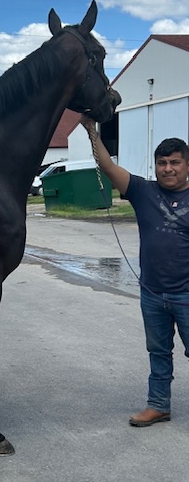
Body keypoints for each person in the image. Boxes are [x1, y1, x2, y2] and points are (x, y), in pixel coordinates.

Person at [89, 131, 189, 426]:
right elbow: (108, 166)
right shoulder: (143, 191)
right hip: (152, 294)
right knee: (158, 352)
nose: (167, 168)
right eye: (162, 163)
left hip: (186, 295)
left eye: (175, 162)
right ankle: (158, 405)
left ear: (187, 166)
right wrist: (91, 130)